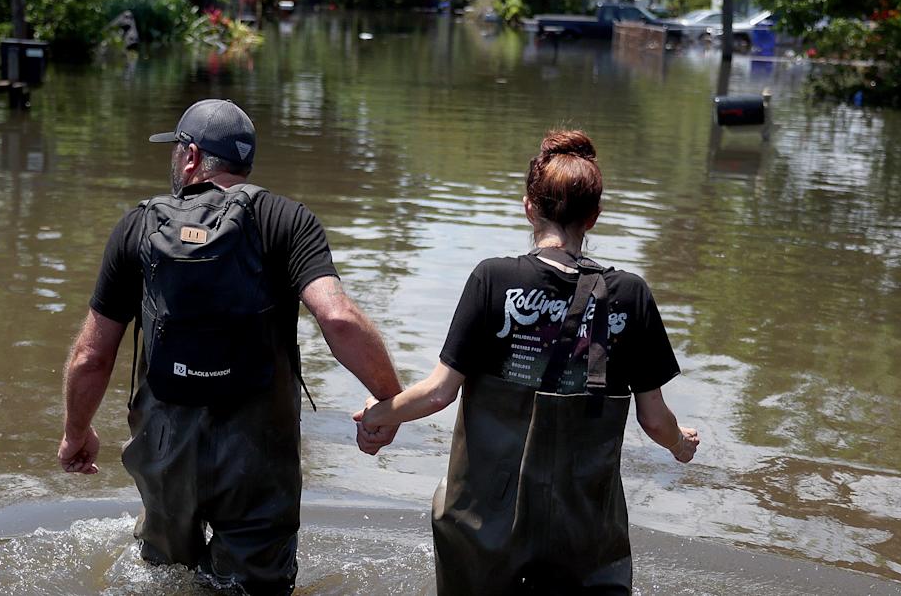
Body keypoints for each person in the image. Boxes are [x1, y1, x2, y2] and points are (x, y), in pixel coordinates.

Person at [58, 99, 403, 595]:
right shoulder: (286, 220)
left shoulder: (137, 226)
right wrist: (389, 400)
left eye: (176, 150)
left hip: (165, 445)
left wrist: (76, 432)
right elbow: (338, 317)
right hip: (258, 453)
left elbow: (92, 356)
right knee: (250, 588)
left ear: (192, 156)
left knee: (160, 578)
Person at [354, 130, 700, 595]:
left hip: (486, 523)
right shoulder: (631, 295)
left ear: (528, 207)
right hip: (584, 526)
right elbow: (654, 419)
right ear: (593, 217)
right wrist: (680, 445)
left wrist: (378, 415)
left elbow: (439, 391)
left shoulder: (493, 278)